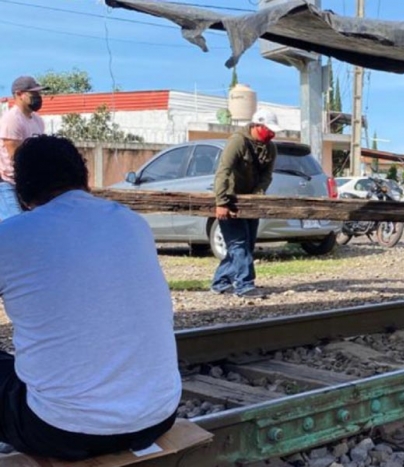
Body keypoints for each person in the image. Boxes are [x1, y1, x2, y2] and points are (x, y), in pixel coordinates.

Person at [0, 135, 181, 460]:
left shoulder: (11, 236)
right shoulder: (133, 223)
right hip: (158, 417)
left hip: (60, 431)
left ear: (22, 190)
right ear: (83, 179)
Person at [211, 108, 281, 297]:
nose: (271, 133)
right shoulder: (237, 141)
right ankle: (244, 285)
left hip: (251, 204)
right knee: (238, 244)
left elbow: (267, 176)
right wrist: (221, 202)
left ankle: (220, 282)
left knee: (246, 246)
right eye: (268, 129)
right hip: (231, 200)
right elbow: (223, 171)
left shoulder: (271, 148)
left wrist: (257, 196)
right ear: (257, 125)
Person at [0, 76, 48, 221]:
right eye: (33, 93)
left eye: (39, 94)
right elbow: (16, 157)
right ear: (19, 94)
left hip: (28, 183)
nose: (38, 97)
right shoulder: (12, 119)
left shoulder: (37, 120)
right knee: (15, 224)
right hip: (8, 183)